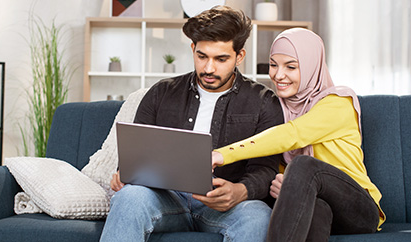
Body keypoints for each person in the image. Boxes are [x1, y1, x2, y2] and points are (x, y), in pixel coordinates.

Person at [100, 5, 284, 242]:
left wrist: (241, 191)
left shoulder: (264, 102)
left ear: (240, 56)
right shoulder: (161, 93)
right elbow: (137, 153)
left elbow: (265, 169)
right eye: (202, 56)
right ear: (192, 49)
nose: (209, 68)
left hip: (225, 207)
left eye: (221, 59)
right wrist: (123, 173)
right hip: (166, 199)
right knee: (129, 197)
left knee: (259, 216)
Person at [212, 27, 385, 241]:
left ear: (312, 66)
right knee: (316, 207)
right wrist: (291, 187)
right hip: (318, 208)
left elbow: (292, 135)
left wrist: (222, 154)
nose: (278, 75)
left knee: (303, 165)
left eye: (291, 67)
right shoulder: (279, 110)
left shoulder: (339, 103)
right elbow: (271, 162)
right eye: (273, 65)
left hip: (359, 210)